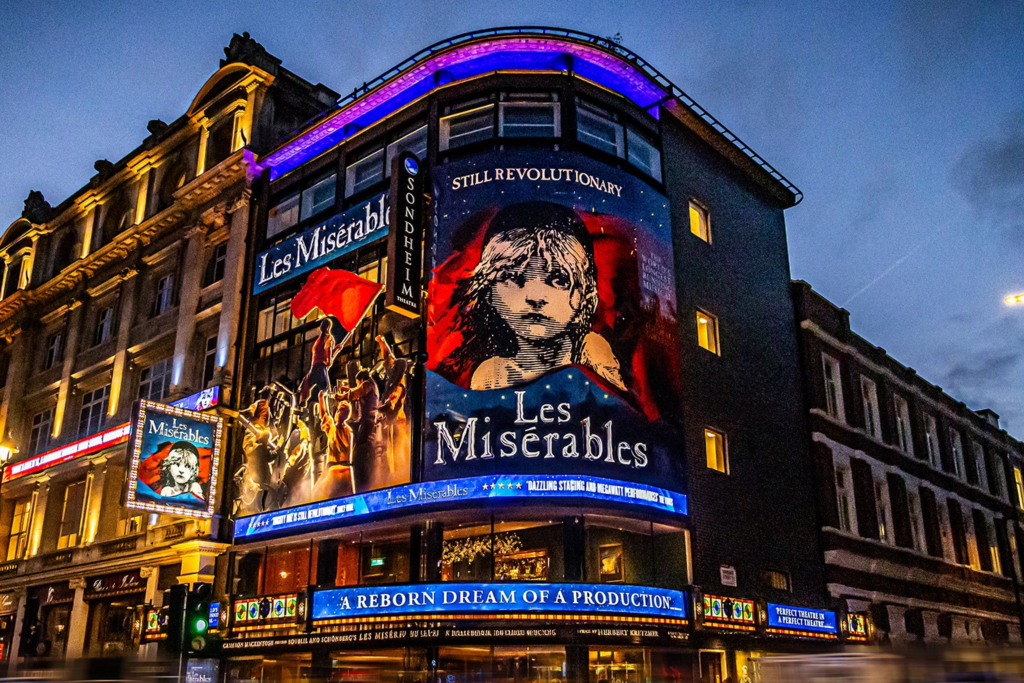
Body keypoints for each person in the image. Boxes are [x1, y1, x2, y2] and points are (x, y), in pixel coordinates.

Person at [441, 201, 624, 391]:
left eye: (558, 280)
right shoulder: (491, 372)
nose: (535, 297)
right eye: (514, 277)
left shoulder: (593, 353)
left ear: (584, 293)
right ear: (488, 290)